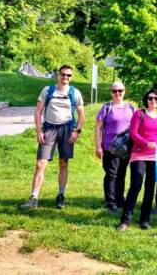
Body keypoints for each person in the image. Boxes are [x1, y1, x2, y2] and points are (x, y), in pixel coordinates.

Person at [19, 65, 85, 210]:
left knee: (63, 163)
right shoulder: (47, 90)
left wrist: (76, 132)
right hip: (49, 128)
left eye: (68, 76)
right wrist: (39, 131)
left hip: (67, 129)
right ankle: (34, 198)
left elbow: (81, 115)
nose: (65, 78)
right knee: (40, 164)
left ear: (71, 77)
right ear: (57, 75)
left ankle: (61, 195)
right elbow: (38, 112)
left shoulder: (75, 93)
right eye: (63, 75)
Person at [118, 88, 157, 231]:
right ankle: (125, 220)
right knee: (136, 186)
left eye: (156, 99)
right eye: (150, 98)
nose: (153, 101)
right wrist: (146, 143)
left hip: (155, 157)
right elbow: (133, 133)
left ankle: (145, 220)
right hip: (139, 154)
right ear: (146, 99)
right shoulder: (139, 114)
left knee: (150, 188)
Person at [94, 81, 137, 214]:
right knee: (111, 174)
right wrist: (98, 146)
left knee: (122, 174)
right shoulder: (106, 107)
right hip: (109, 147)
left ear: (124, 92)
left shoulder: (131, 107)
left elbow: (136, 126)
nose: (117, 93)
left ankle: (120, 199)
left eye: (120, 91)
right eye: (114, 91)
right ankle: (110, 201)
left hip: (126, 148)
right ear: (111, 92)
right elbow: (98, 128)